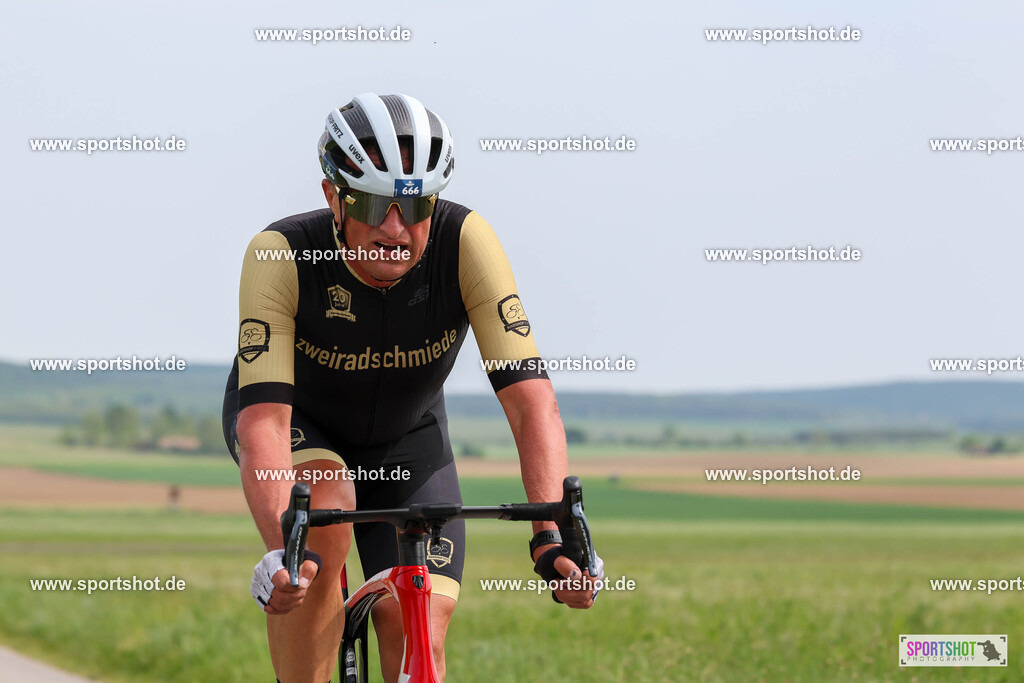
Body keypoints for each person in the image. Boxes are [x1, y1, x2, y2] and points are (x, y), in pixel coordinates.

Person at [222, 92, 601, 683]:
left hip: (409, 439)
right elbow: (263, 422)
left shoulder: (466, 242)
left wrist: (552, 534)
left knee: (419, 620)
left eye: (415, 205)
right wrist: (284, 552)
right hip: (301, 427)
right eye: (373, 205)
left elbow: (532, 402)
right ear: (333, 196)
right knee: (327, 509)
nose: (395, 229)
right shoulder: (282, 254)